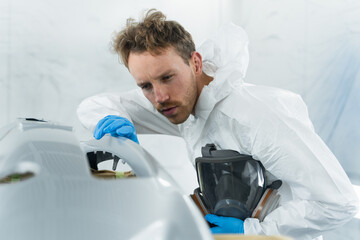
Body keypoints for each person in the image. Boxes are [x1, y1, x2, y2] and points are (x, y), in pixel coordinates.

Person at [77, 9, 359, 239]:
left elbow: (339, 202)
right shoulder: (181, 106)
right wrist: (111, 120)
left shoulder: (255, 116)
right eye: (145, 86)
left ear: (196, 63)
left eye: (167, 77)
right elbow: (95, 105)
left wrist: (253, 231)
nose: (159, 97)